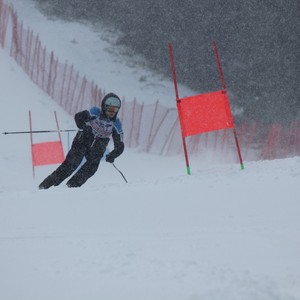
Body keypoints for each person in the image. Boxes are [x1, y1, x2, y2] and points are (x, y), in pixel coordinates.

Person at [39, 92, 124, 189]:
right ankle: (45, 186)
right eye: (109, 108)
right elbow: (78, 117)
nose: (112, 112)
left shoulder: (117, 124)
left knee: (92, 167)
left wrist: (112, 155)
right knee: (71, 164)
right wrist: (84, 126)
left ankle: (71, 186)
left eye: (115, 109)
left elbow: (120, 146)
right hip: (83, 140)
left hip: (99, 146)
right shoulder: (95, 111)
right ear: (104, 106)